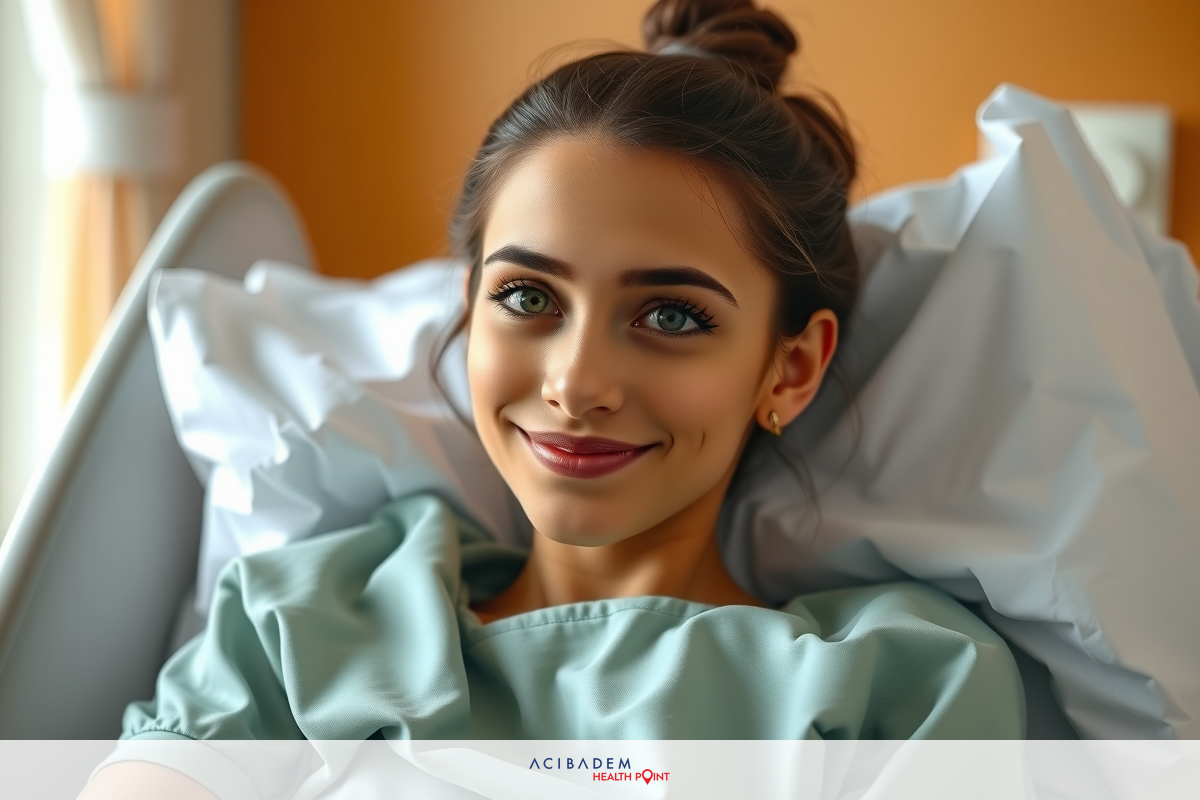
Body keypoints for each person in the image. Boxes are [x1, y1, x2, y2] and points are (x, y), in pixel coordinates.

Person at [82, 0, 1024, 795]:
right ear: (471, 312)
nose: (577, 384)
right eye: (528, 298)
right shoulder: (306, 620)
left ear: (790, 370)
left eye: (671, 315)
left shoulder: (903, 688)